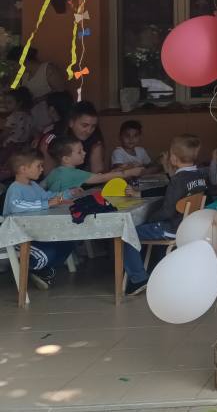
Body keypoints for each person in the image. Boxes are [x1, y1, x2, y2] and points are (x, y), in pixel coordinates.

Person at [122, 134, 210, 296]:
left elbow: (167, 212)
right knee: (143, 229)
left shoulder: (177, 180)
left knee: (129, 233)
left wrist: (149, 219)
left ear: (174, 159)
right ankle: (153, 270)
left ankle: (138, 279)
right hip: (188, 226)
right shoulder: (199, 176)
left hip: (172, 228)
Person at [2, 148, 80, 289]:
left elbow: (48, 196)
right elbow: (16, 206)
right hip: (19, 237)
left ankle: (42, 271)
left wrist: (68, 193)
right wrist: (46, 204)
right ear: (23, 169)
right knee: (47, 254)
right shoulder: (15, 188)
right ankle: (31, 268)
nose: (42, 169)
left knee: (69, 242)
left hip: (36, 234)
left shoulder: (33, 186)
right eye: (38, 166)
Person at [42, 136, 141, 194]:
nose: (84, 153)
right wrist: (130, 172)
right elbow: (102, 178)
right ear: (66, 159)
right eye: (79, 152)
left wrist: (114, 171)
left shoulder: (54, 172)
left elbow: (39, 187)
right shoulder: (75, 173)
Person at [8, 47, 65, 134]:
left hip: (49, 120)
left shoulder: (48, 69)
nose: (12, 68)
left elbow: (62, 93)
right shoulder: (24, 75)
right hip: (31, 123)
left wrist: (39, 99)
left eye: (13, 65)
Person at [40, 101, 106, 174]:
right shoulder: (52, 139)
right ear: (71, 123)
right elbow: (48, 175)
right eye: (84, 125)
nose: (89, 130)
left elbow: (97, 172)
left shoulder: (94, 141)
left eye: (93, 126)